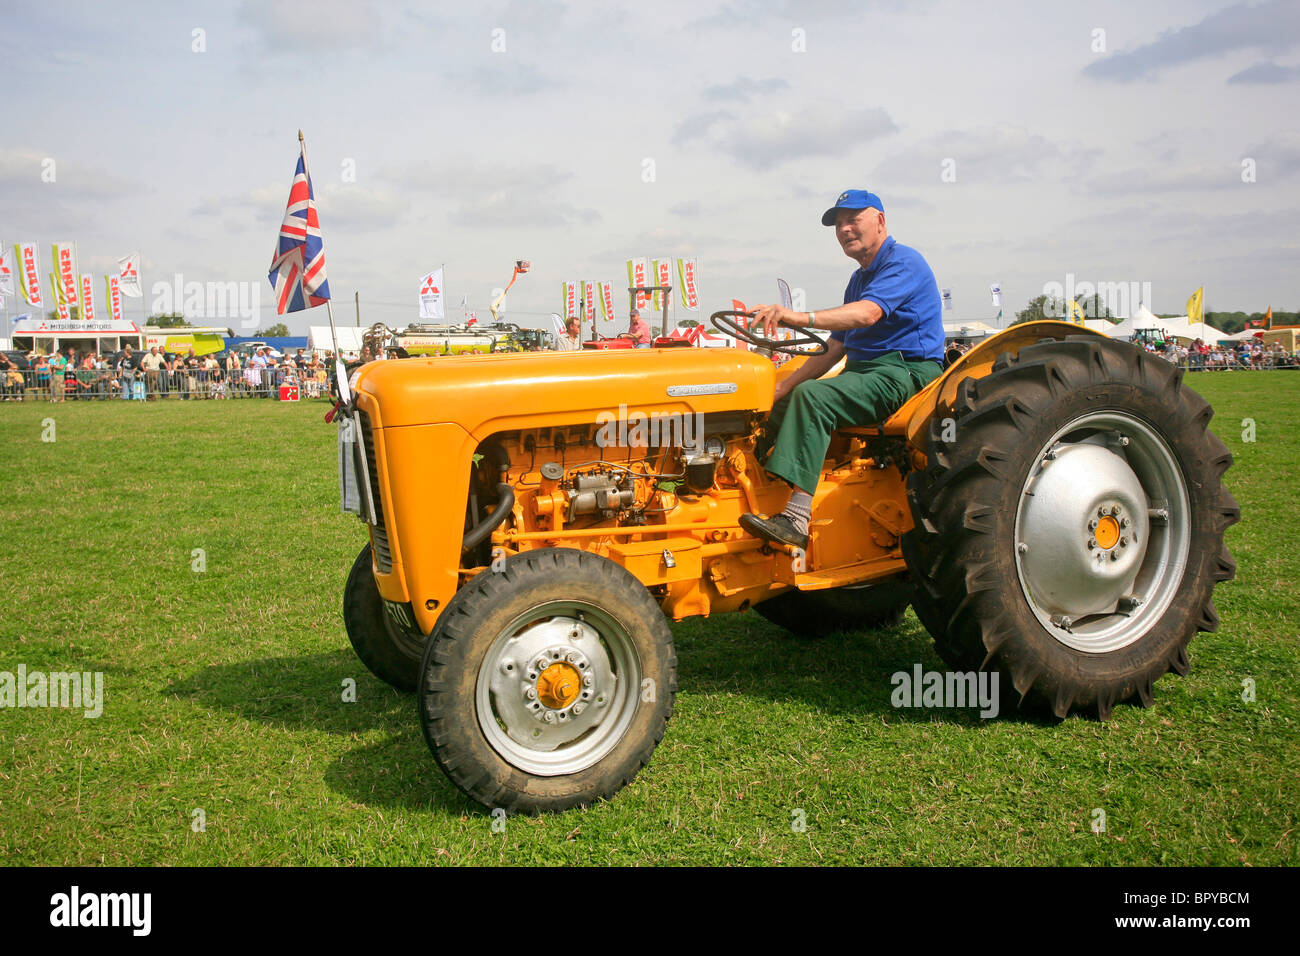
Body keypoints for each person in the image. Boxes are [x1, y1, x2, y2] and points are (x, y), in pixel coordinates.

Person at [739, 188, 945, 549]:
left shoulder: (903, 262)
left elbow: (869, 313)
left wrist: (796, 316)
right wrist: (782, 388)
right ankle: (746, 486)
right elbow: (837, 346)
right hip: (864, 372)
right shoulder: (859, 279)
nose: (844, 229)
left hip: (905, 373)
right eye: (838, 224)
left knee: (814, 398)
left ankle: (797, 518)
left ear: (880, 221)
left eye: (853, 219)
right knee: (774, 399)